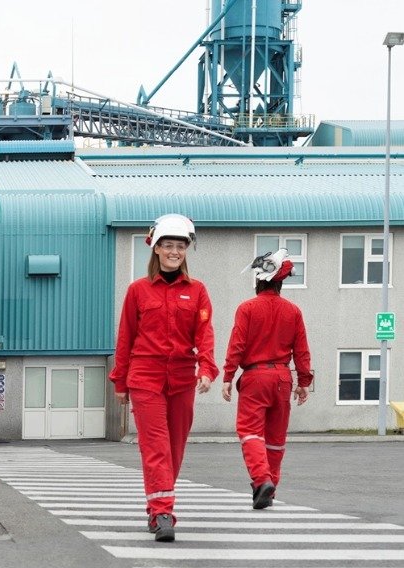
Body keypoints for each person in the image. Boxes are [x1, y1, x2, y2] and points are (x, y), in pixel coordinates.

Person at [109, 213, 218, 543]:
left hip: (183, 379)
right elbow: (125, 337)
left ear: (186, 250)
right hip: (145, 377)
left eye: (180, 246)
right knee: (155, 447)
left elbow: (205, 333)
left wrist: (208, 369)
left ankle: (157, 504)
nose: (174, 251)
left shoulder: (197, 291)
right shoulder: (138, 291)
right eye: (168, 245)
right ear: (155, 249)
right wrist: (120, 381)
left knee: (174, 449)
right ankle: (163, 511)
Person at [221, 247, 311, 510]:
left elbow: (237, 344)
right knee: (275, 438)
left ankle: (262, 481)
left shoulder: (247, 308)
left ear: (257, 280)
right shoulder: (293, 311)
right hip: (283, 377)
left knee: (250, 432)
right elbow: (302, 350)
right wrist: (304, 382)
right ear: (281, 282)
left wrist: (228, 375)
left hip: (255, 376)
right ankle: (270, 489)